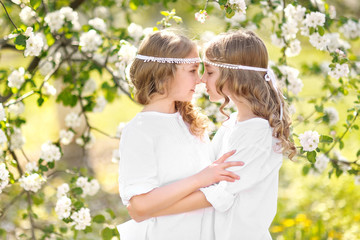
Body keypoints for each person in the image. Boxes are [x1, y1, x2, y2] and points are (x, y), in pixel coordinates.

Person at [133, 30, 296, 240]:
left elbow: (220, 194)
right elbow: (207, 171)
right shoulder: (233, 124)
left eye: (209, 72)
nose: (201, 79)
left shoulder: (258, 134)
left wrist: (154, 209)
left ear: (234, 76)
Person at [117, 30, 244, 240]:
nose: (200, 79)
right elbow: (139, 207)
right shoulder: (140, 131)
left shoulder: (187, 120)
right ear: (165, 73)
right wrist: (202, 178)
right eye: (193, 70)